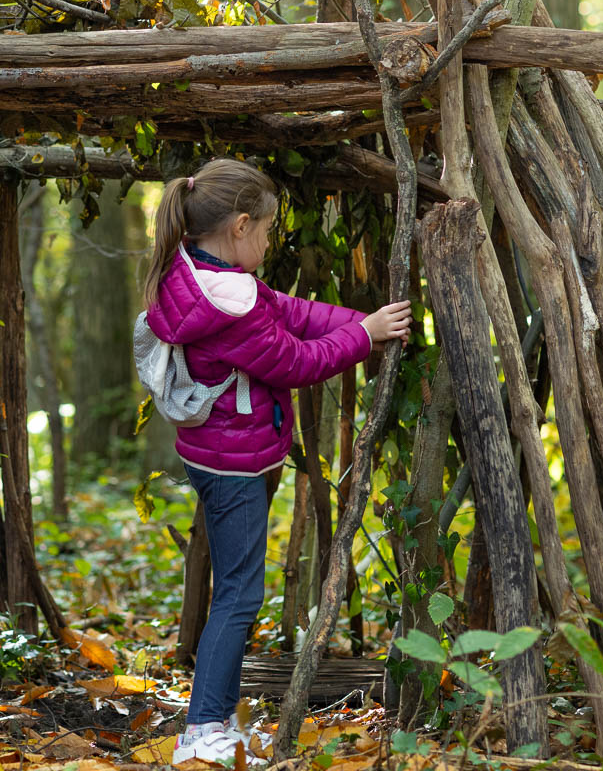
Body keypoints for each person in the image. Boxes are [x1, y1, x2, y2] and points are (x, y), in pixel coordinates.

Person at [141, 158, 412, 765]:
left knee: (235, 589)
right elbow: (294, 362)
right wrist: (364, 337)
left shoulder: (202, 277)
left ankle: (214, 725)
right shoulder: (226, 304)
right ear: (240, 226)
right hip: (233, 462)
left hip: (222, 451)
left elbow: (289, 313)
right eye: (265, 230)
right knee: (238, 594)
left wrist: (367, 324)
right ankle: (204, 732)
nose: (268, 241)